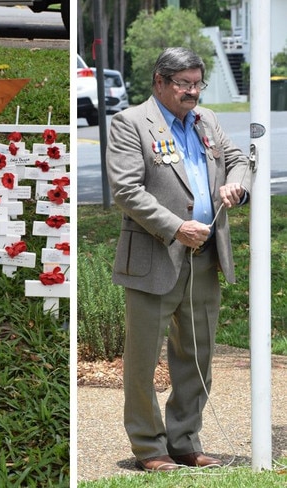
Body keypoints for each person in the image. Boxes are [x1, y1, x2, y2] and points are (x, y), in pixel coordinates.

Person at [106, 47, 252, 472]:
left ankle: (185, 440)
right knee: (143, 360)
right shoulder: (131, 123)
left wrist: (235, 186)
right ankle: (150, 448)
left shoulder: (207, 120)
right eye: (183, 84)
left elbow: (239, 159)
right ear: (160, 82)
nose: (192, 92)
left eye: (196, 84)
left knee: (196, 353)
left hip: (204, 256)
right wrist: (175, 227)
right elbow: (127, 191)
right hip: (154, 255)